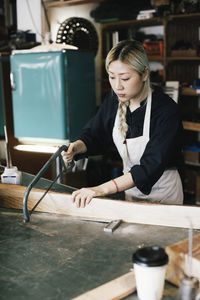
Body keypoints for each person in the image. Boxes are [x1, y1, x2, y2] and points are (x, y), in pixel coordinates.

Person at [62, 39, 184, 208]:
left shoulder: (166, 111)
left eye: (125, 78)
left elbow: (149, 167)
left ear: (145, 74)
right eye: (112, 77)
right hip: (131, 194)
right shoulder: (114, 101)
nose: (117, 86)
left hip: (165, 196)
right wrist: (77, 147)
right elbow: (95, 134)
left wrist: (99, 190)